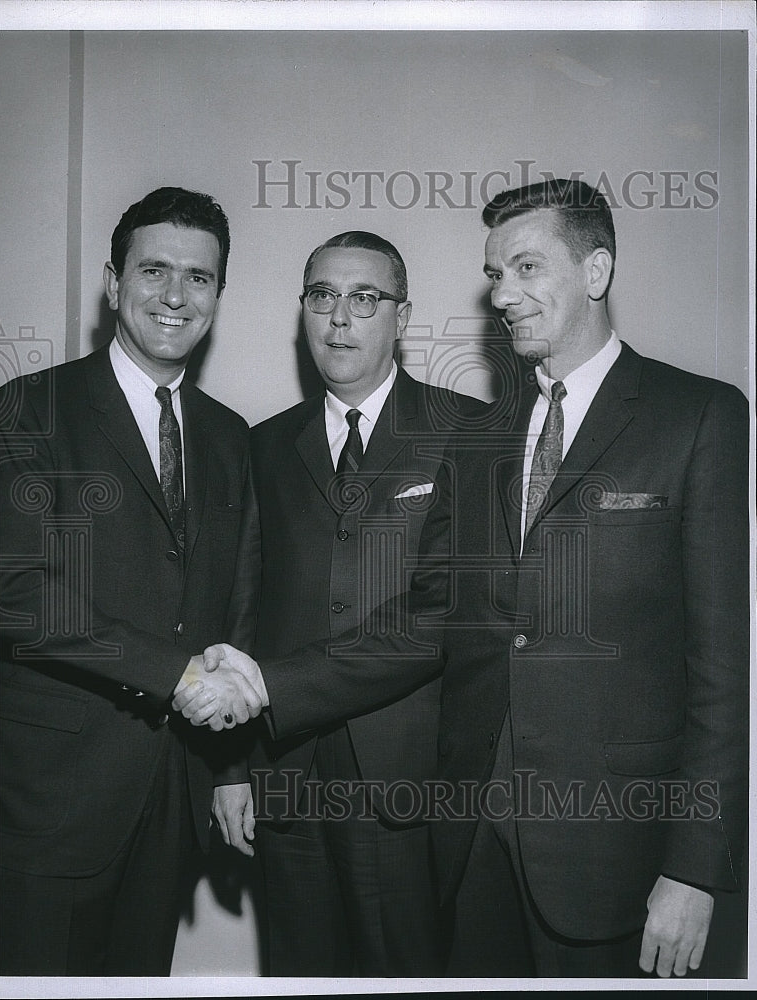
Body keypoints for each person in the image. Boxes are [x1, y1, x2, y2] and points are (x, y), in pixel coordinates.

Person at [175, 180, 749, 978]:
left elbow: (725, 671)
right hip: (471, 838)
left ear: (596, 270)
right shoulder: (491, 434)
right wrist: (264, 693)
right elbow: (435, 610)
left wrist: (696, 864)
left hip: (611, 842)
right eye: (494, 274)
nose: (502, 294)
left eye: (524, 267)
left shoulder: (699, 417)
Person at [0, 186, 258, 975]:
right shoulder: (31, 408)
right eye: (154, 271)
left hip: (172, 799)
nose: (176, 296)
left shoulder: (228, 436)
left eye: (199, 278)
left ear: (218, 293)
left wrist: (231, 768)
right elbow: (19, 593)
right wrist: (173, 675)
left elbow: (233, 603)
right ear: (114, 283)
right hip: (56, 798)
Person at [212, 231, 486, 976]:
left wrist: (280, 685)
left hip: (410, 781)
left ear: (402, 317)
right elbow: (244, 605)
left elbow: (446, 616)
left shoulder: (467, 432)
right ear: (302, 312)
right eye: (322, 297)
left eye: (365, 298)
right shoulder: (265, 445)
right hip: (286, 775)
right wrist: (232, 768)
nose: (340, 317)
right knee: (299, 976)